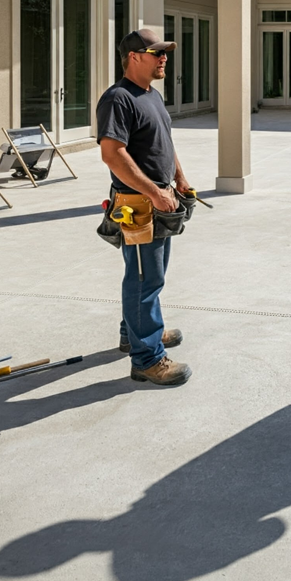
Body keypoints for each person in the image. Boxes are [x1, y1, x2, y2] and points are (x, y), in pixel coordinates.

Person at [96, 28, 192, 387]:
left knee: (151, 275)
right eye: (157, 52)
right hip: (138, 205)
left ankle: (133, 334)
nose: (164, 57)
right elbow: (113, 154)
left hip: (160, 200)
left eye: (166, 52)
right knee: (144, 280)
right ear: (133, 56)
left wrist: (179, 178)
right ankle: (147, 359)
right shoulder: (118, 99)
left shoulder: (151, 95)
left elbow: (164, 141)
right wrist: (154, 192)